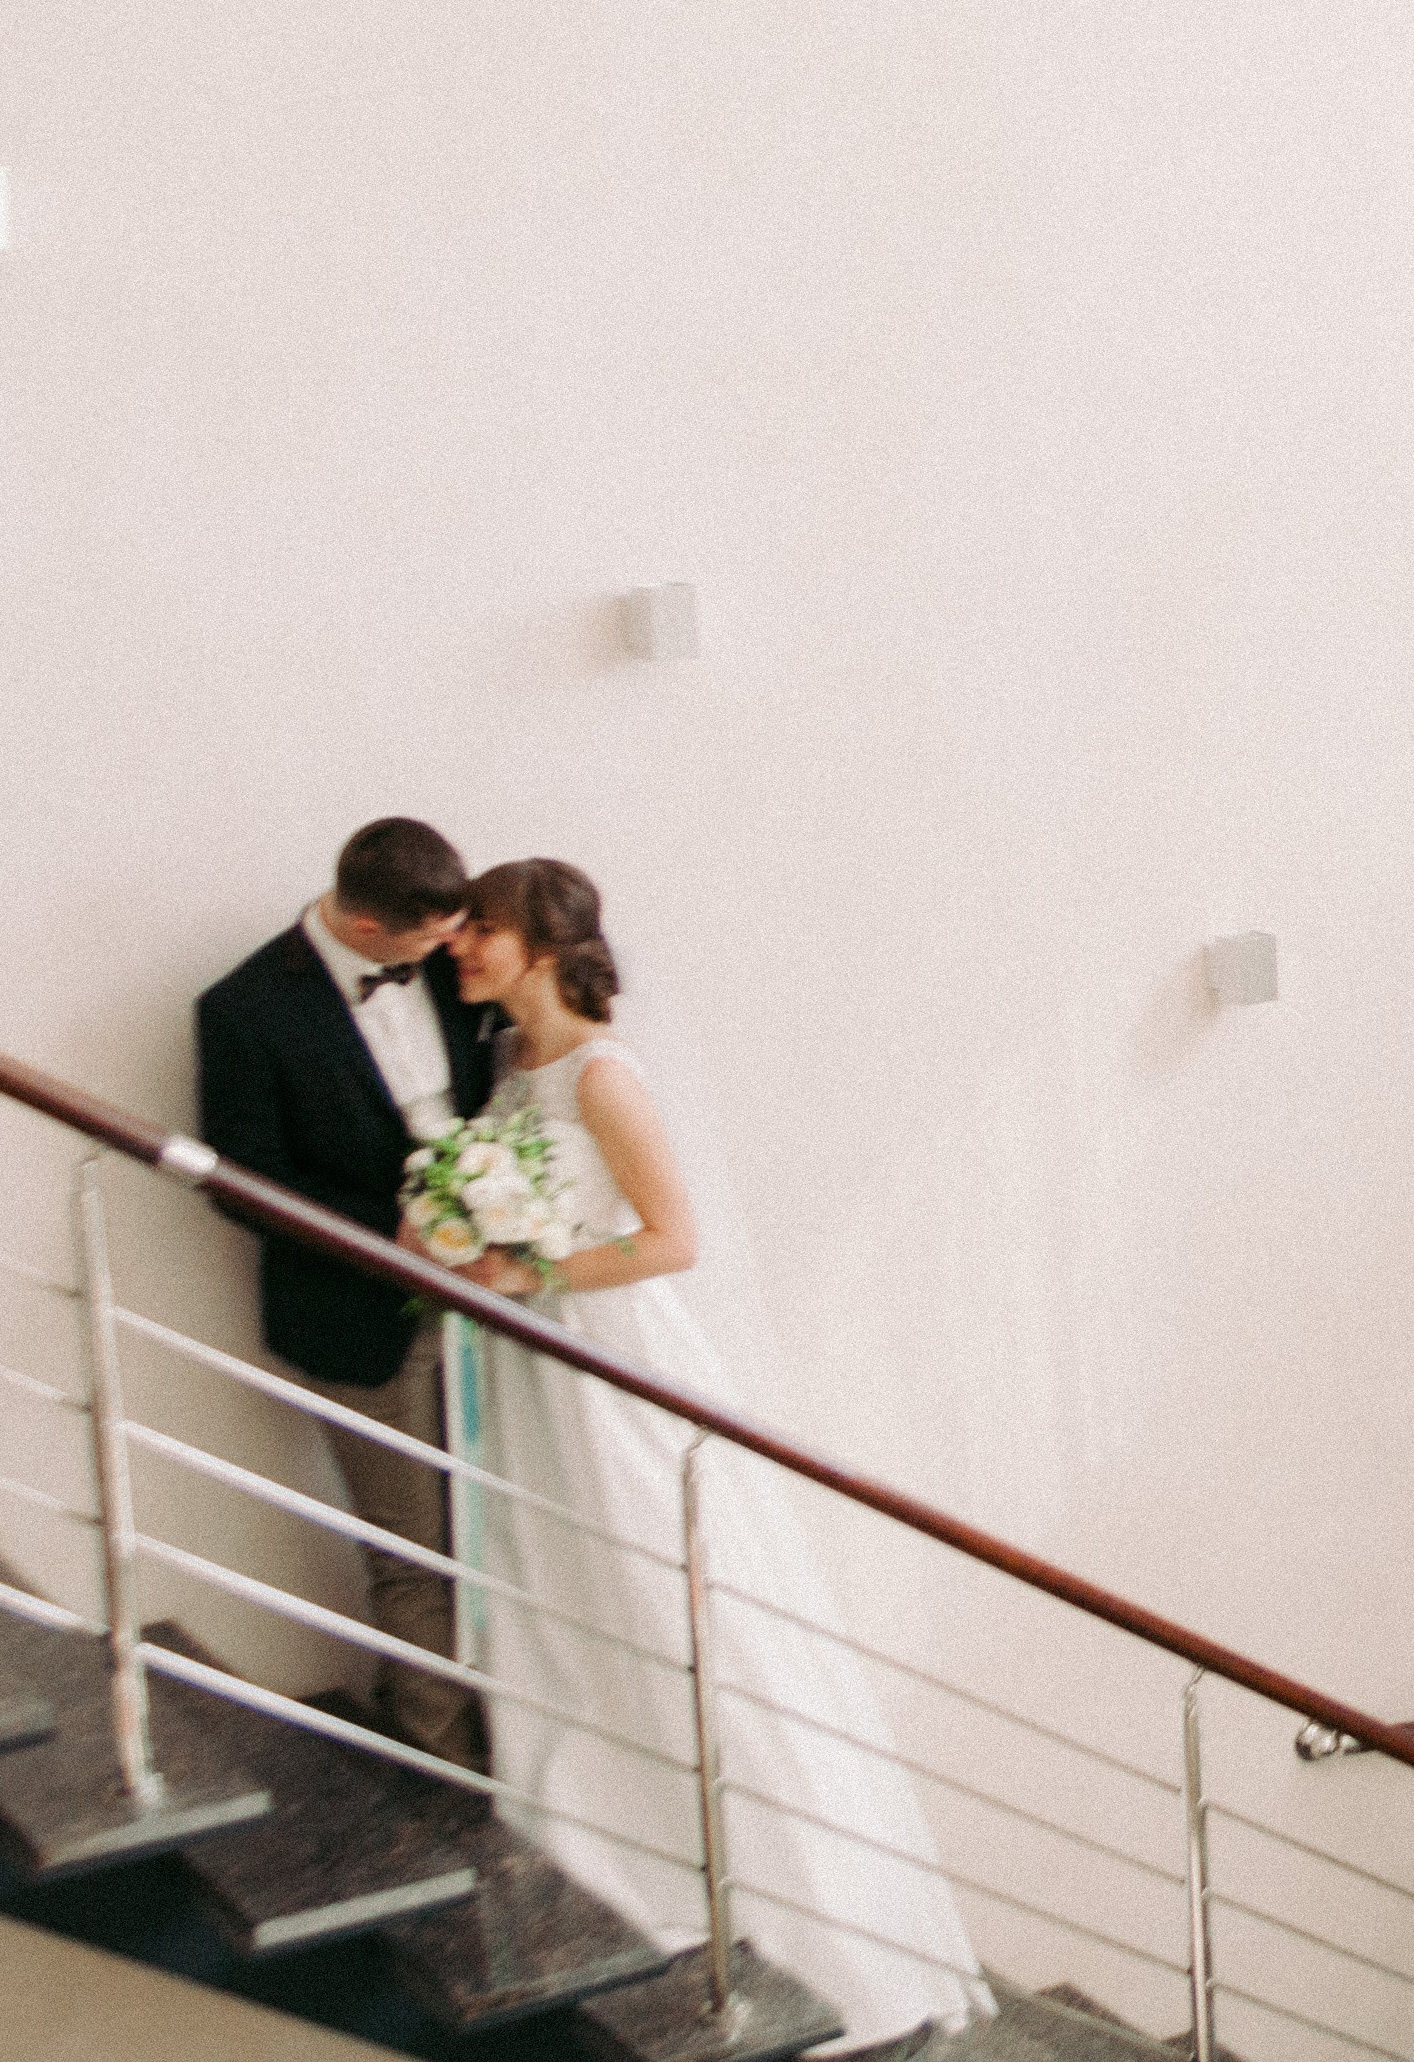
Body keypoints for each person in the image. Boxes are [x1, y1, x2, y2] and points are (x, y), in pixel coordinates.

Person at [426, 858, 987, 2047]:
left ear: (542, 944)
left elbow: (672, 1238)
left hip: (612, 1354)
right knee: (564, 1583)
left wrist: (530, 1268)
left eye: (485, 925)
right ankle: (608, 1833)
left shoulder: (602, 1074)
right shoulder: (506, 1067)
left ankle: (811, 1917)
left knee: (666, 1590)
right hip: (532, 1363)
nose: (462, 941)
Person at [196, 817, 497, 1770]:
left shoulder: (452, 963)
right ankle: (444, 1769)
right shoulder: (242, 1010)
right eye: (427, 939)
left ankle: (528, 1750)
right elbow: (240, 1182)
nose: (451, 952)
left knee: (505, 1537)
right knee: (414, 1553)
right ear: (367, 928)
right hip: (358, 1317)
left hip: (501, 1300)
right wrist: (393, 1234)